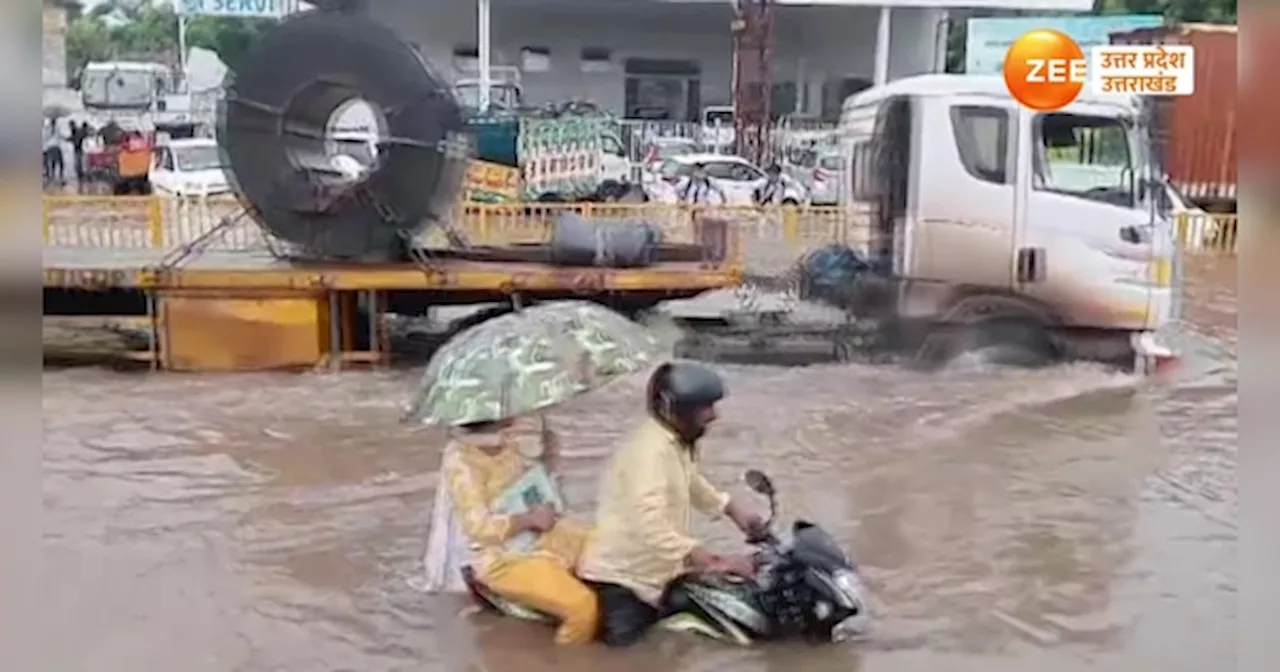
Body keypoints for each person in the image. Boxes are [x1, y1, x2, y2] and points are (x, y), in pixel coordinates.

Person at [577, 362, 765, 646]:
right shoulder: (649, 453)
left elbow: (690, 481)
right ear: (675, 409)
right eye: (705, 408)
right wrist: (714, 560)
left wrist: (733, 510)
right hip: (623, 580)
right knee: (629, 660)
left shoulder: (676, 442)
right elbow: (649, 524)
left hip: (660, 573)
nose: (714, 416)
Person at [426, 416, 599, 645]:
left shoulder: (506, 445)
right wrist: (529, 519)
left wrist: (548, 460)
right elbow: (479, 527)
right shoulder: (463, 464)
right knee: (583, 607)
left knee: (607, 543)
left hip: (538, 536)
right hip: (502, 557)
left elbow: (533, 488)